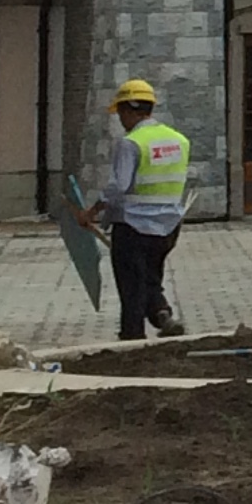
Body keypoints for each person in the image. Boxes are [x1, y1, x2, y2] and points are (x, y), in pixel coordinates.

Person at [93, 77, 192, 341]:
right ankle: (161, 313)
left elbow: (118, 187)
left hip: (133, 226)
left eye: (120, 113)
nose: (120, 119)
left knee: (131, 286)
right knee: (149, 275)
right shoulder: (179, 140)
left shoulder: (131, 143)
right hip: (168, 226)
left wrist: (92, 211)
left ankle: (133, 338)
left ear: (128, 109)